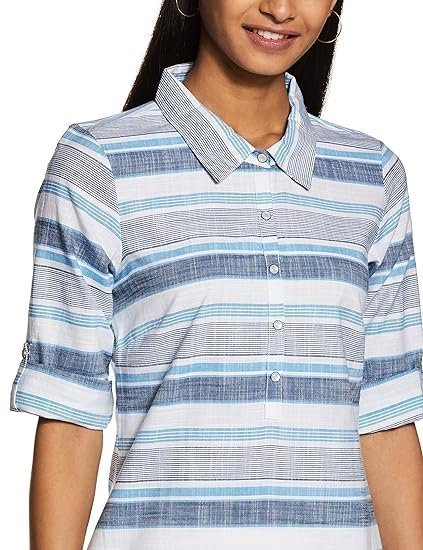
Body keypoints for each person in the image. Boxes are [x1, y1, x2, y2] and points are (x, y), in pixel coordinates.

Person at [9, 0, 423, 548]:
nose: (279, 9)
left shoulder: (372, 176)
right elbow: (70, 414)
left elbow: (386, 419)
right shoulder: (99, 163)